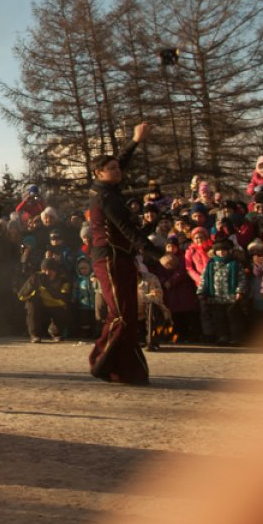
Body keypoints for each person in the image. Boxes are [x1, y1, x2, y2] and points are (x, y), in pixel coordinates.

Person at [87, 122, 162, 385]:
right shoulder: (105, 198)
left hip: (122, 258)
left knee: (127, 314)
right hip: (109, 258)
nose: (118, 171)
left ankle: (123, 370)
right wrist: (156, 254)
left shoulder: (108, 188)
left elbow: (119, 161)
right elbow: (127, 229)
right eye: (112, 169)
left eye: (118, 168)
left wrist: (135, 141)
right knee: (121, 314)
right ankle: (101, 363)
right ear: (98, 173)